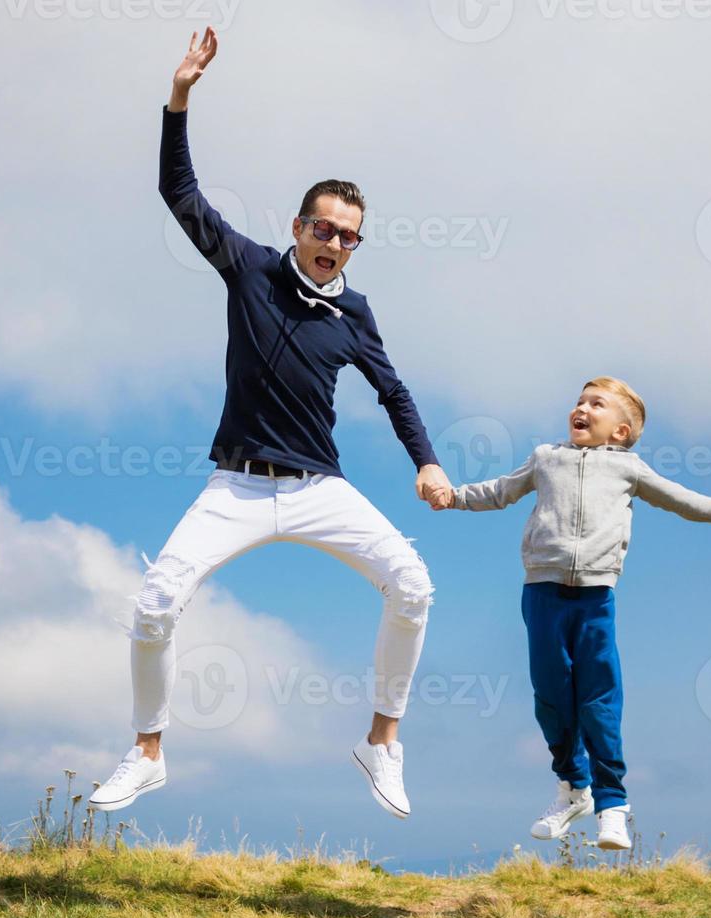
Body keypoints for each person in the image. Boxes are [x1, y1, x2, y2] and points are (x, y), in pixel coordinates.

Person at [88, 29, 453, 820]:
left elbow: (394, 391)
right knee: (155, 603)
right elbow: (179, 194)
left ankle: (381, 742)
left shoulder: (355, 313)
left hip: (321, 488)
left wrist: (426, 462)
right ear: (298, 227)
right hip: (238, 486)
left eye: (350, 236)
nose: (336, 244)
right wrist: (180, 97)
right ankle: (147, 751)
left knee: (414, 585)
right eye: (325, 229)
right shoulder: (248, 266)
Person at [431, 377, 711, 848]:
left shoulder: (630, 471)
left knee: (599, 698)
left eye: (596, 404)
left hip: (596, 597)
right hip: (542, 593)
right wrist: (453, 495)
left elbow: (684, 501)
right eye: (579, 401)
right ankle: (573, 788)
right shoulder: (545, 458)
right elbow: (500, 490)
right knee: (551, 696)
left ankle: (612, 803)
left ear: (619, 431)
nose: (582, 408)